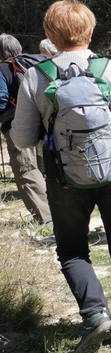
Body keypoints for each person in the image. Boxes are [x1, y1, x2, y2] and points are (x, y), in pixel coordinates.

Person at [11, 0, 111, 353]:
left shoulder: (36, 75)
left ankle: (95, 315)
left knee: (73, 250)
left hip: (64, 178)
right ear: (90, 33)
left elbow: (22, 139)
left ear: (48, 35)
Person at [0, 33, 50, 224]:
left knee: (26, 169)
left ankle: (47, 219)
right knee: (44, 167)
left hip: (17, 125)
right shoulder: (37, 62)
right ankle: (60, 211)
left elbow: (1, 99)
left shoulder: (3, 69)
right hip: (44, 121)